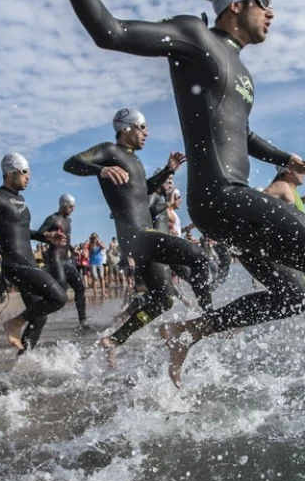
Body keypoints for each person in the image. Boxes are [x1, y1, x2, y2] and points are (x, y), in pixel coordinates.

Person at [4, 0, 305, 386]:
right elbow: (109, 32)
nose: (272, 12)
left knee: (292, 295)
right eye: (265, 1)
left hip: (232, 200)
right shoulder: (195, 38)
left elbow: (241, 134)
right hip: (221, 197)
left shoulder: (241, 72)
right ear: (235, 3)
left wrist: (291, 160)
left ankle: (188, 331)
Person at [64, 109, 213, 363]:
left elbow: (142, 193)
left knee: (163, 300)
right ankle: (210, 321)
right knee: (198, 256)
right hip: (138, 234)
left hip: (141, 238)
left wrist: (168, 170)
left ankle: (114, 340)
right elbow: (71, 164)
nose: (147, 133)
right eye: (143, 127)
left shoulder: (135, 161)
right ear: (127, 128)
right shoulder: (110, 150)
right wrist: (100, 170)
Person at [0, 153, 68, 353]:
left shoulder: (20, 199)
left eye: (29, 172)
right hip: (15, 265)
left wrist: (44, 236)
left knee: (39, 317)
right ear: (9, 172)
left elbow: (21, 232)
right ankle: (14, 323)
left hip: (28, 263)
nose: (28, 176)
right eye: (24, 172)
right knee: (59, 298)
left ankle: (22, 363)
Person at [37, 194, 88, 328]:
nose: (73, 209)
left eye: (74, 206)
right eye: (70, 206)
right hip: (55, 259)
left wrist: (72, 249)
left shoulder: (68, 221)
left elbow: (67, 239)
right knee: (61, 289)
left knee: (80, 288)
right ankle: (36, 311)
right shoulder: (52, 219)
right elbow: (39, 233)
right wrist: (49, 236)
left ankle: (83, 321)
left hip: (66, 259)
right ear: (63, 204)